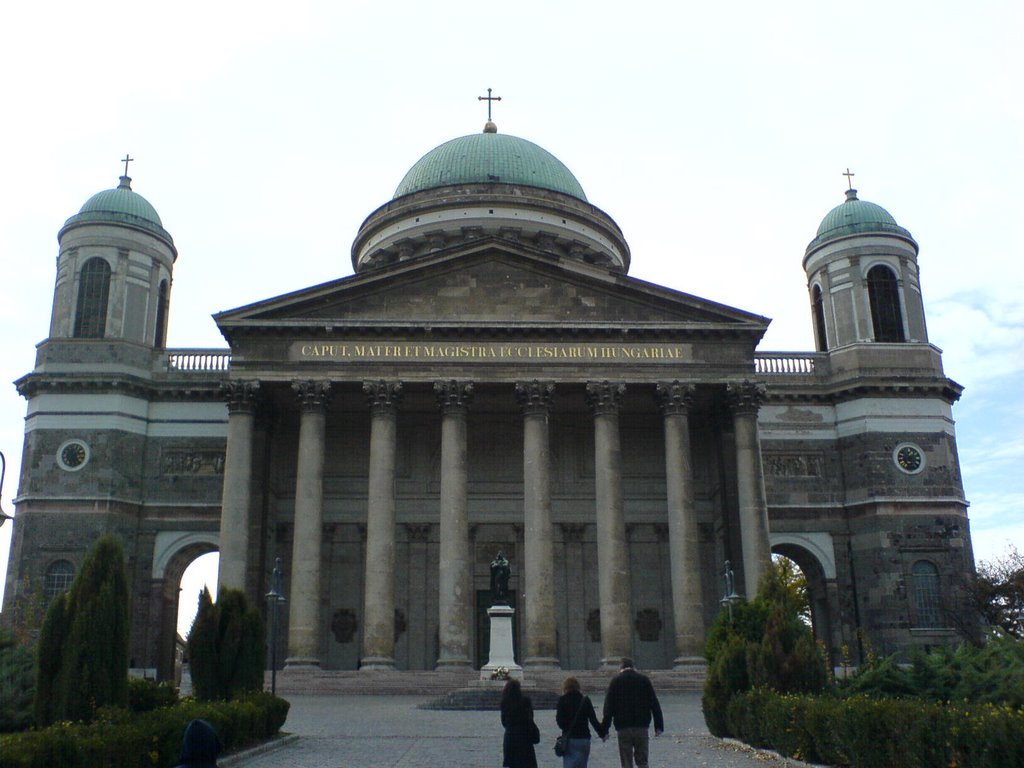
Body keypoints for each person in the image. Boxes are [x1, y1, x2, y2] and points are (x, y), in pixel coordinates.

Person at [600, 658, 664, 768]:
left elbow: (608, 708)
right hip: (641, 726)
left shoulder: (615, 681)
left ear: (621, 668)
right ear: (633, 667)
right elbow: (654, 703)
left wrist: (604, 730)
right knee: (643, 761)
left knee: (626, 762)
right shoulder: (644, 680)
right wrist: (658, 726)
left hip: (623, 727)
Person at [555, 675, 605, 768]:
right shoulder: (585, 700)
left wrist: (566, 728)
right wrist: (602, 733)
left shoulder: (562, 700)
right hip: (584, 739)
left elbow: (559, 721)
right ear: (578, 687)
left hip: (569, 740)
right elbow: (593, 720)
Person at [500, 678, 539, 768]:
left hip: (510, 738)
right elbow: (530, 718)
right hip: (525, 738)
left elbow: (504, 722)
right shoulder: (526, 701)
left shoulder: (505, 702)